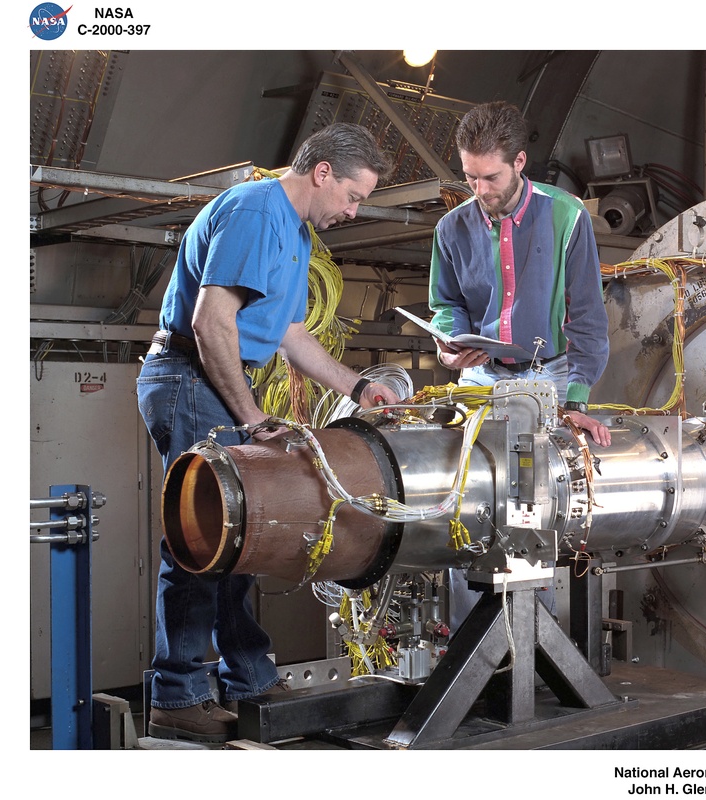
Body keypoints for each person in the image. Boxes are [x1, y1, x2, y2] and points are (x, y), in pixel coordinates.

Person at [136, 122, 398, 743]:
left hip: (215, 379)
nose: (353, 211)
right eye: (353, 197)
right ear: (323, 172)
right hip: (189, 378)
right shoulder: (257, 210)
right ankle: (177, 695)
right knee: (202, 542)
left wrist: (356, 387)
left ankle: (248, 676)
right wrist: (252, 418)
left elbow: (287, 333)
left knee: (242, 536)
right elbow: (210, 322)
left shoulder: (298, 234)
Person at [428, 100, 612, 629]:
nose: (479, 190)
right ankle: (470, 645)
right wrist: (447, 347)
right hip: (481, 375)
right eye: (469, 177)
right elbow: (446, 305)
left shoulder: (566, 216)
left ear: (520, 162)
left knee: (536, 508)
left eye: (490, 177)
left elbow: (588, 320)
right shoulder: (451, 229)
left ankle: (533, 646)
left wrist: (575, 401)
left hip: (546, 375)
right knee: (465, 502)